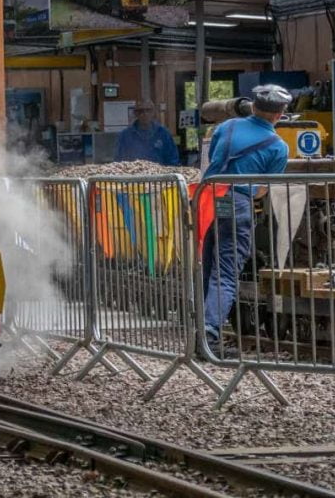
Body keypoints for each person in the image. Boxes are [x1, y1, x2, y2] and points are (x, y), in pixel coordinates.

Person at [201, 84, 291, 349]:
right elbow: (263, 190)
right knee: (226, 271)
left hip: (207, 199)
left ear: (253, 106)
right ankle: (209, 333)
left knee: (206, 265)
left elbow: (212, 160)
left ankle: (201, 328)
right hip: (237, 202)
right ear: (279, 114)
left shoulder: (225, 128)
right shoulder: (278, 147)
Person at [114, 100, 179, 165]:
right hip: (134, 173)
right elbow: (119, 161)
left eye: (148, 110)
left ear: (153, 112)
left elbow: (173, 160)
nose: (145, 114)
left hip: (160, 173)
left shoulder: (164, 133)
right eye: (141, 111)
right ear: (135, 113)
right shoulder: (125, 135)